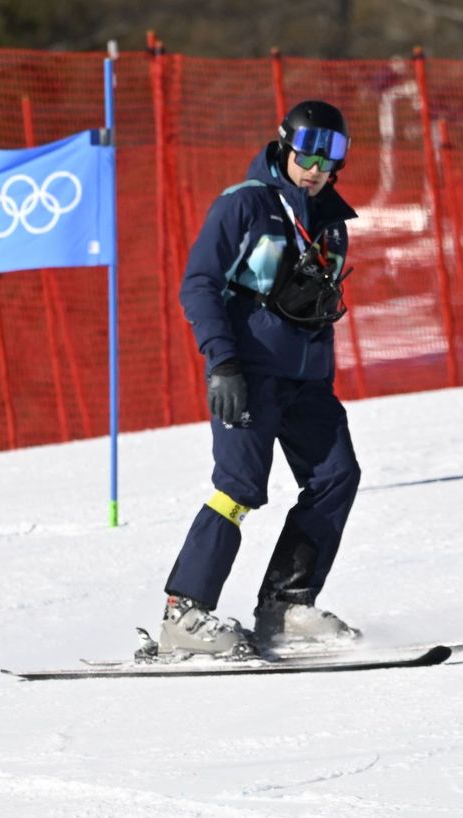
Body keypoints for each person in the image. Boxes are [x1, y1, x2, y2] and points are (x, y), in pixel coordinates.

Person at [160, 100, 363, 656]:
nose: (317, 167)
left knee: (336, 476)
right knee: (239, 489)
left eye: (331, 157)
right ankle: (184, 612)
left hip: (307, 382)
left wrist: (321, 376)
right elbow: (199, 285)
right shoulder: (246, 206)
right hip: (247, 373)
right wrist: (222, 362)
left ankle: (284, 605)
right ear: (283, 146)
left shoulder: (330, 221)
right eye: (307, 154)